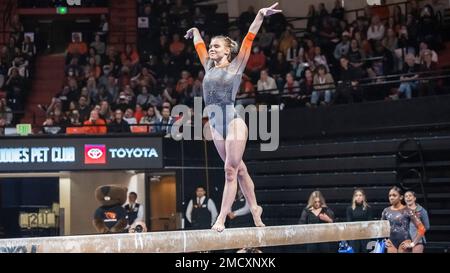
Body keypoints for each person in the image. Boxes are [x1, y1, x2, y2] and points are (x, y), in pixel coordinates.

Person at [185, 2, 282, 232]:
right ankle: (255, 208)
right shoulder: (208, 66)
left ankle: (220, 218)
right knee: (240, 170)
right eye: (211, 46)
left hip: (233, 122)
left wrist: (259, 15)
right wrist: (196, 32)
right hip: (216, 126)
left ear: (227, 51)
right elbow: (199, 46)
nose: (212, 49)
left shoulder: (237, 66)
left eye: (216, 46)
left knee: (230, 170)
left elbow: (248, 38)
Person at [381, 186, 426, 253]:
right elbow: (381, 228)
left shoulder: (407, 210)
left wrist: (413, 244)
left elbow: (422, 228)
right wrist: (384, 240)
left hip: (404, 242)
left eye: (394, 195)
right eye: (389, 195)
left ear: (401, 197)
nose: (391, 198)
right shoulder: (386, 210)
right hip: (391, 243)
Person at [346, 188, 373, 253]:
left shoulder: (368, 208)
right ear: (354, 197)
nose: (358, 197)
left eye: (360, 195)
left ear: (363, 197)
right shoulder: (350, 209)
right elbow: (349, 223)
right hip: (354, 236)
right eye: (356, 195)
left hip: (365, 236)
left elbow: (370, 223)